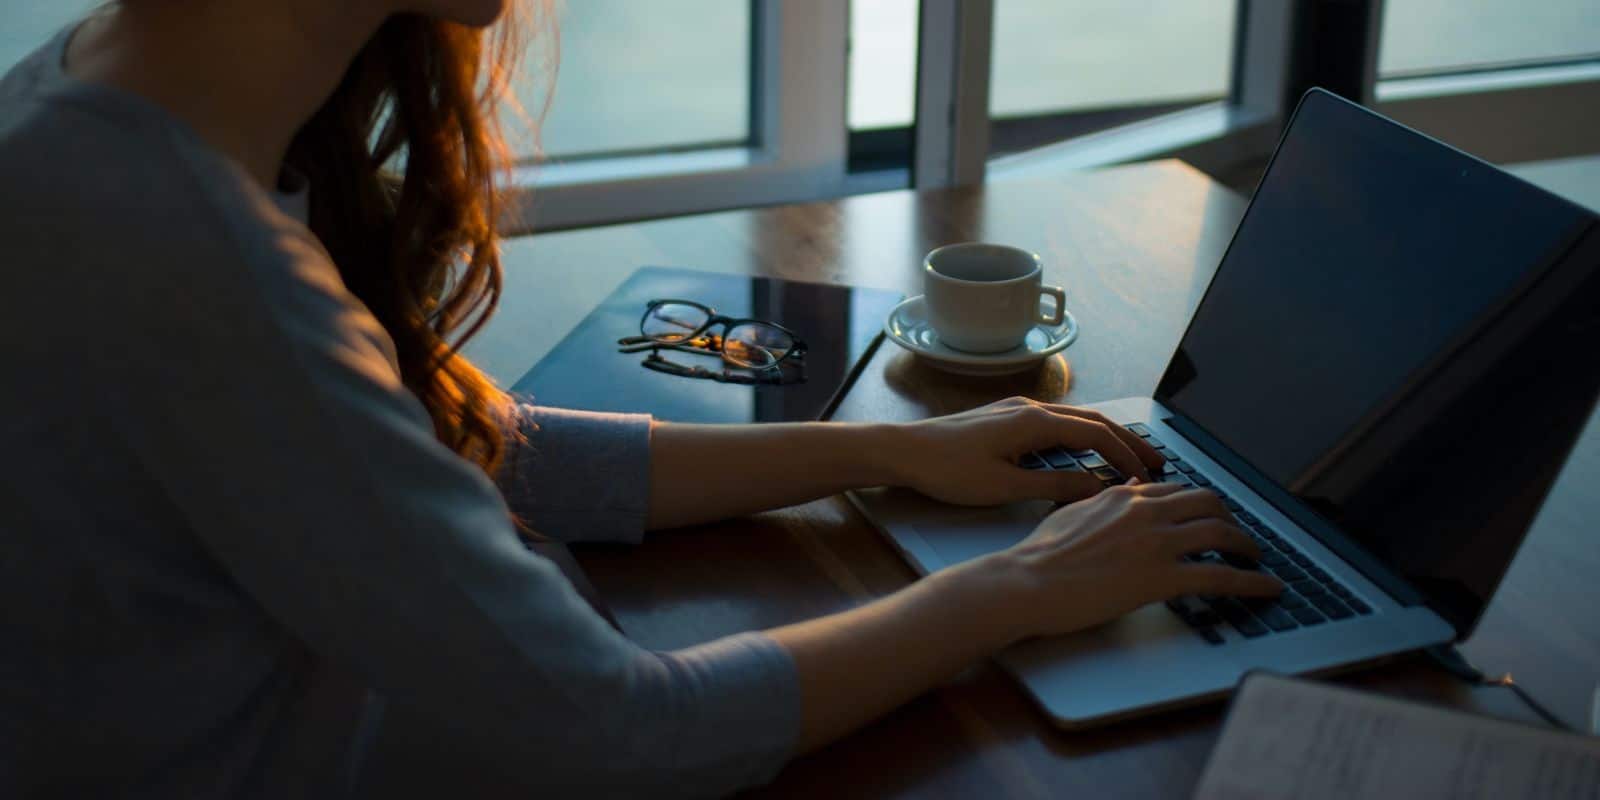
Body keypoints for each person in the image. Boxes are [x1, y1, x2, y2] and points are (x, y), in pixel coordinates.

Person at [0, 0, 1280, 796]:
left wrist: (898, 449)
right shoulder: (196, 258)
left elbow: (456, 449)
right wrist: (1016, 588)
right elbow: (622, 732)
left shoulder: (85, 104)